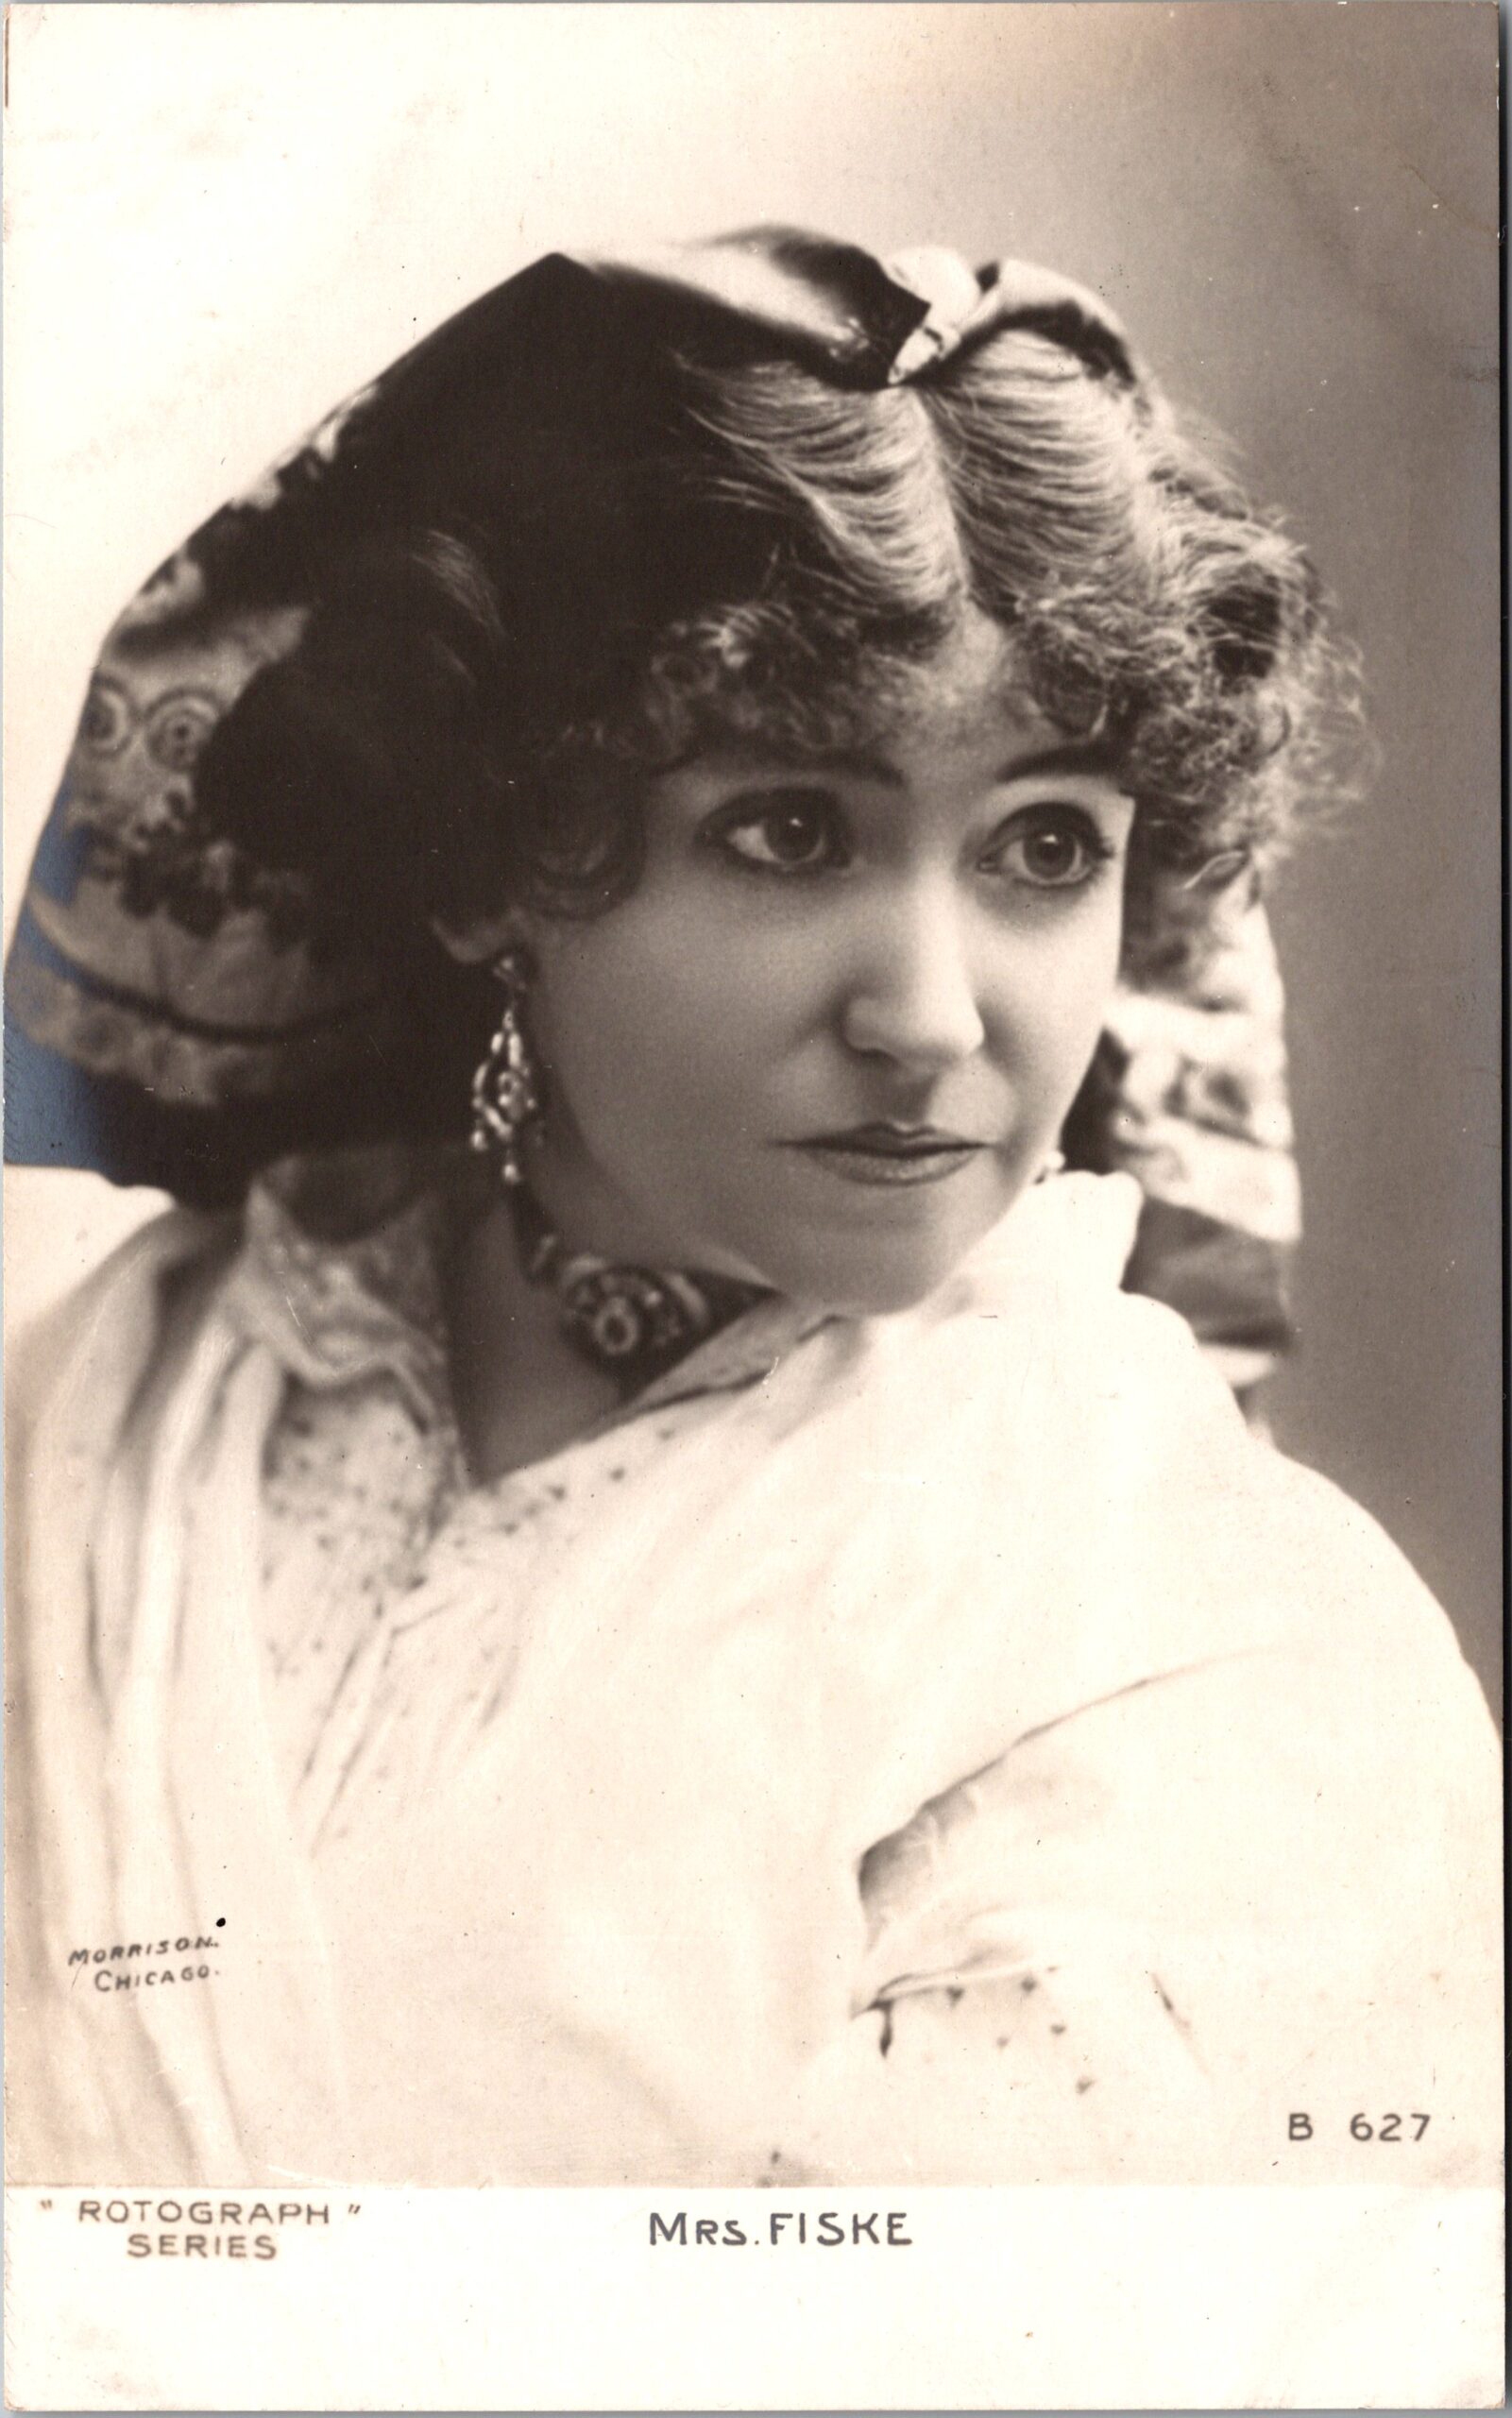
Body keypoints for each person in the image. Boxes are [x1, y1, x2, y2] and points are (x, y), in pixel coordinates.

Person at [5, 232, 1497, 2188]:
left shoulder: (1198, 1622)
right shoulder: (94, 1379)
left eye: (1048, 846)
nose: (934, 1015)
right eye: (790, 830)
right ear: (484, 863)